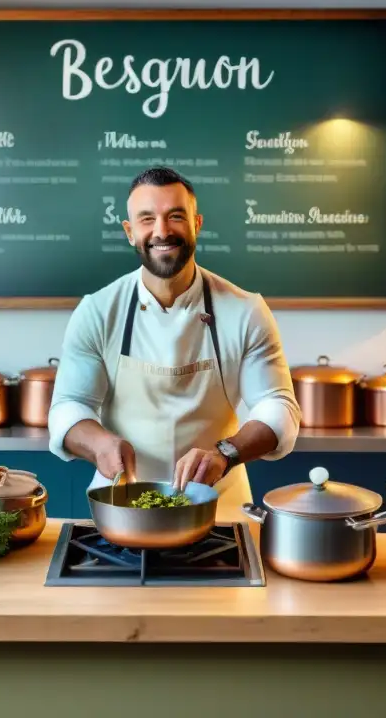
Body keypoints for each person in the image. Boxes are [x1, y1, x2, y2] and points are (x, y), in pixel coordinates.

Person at [47, 166, 301, 521]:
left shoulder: (245, 310)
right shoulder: (97, 311)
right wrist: (101, 444)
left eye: (175, 216)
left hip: (219, 507)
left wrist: (225, 453)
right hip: (121, 506)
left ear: (197, 224)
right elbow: (68, 407)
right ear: (130, 232)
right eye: (147, 218)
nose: (162, 231)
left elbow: (279, 408)